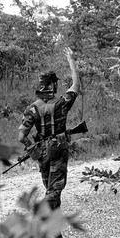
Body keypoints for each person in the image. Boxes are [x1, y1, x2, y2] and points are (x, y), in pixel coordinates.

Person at [18, 47, 79, 222]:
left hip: (41, 152)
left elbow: (21, 136)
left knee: (51, 189)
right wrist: (71, 61)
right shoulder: (61, 103)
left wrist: (33, 150)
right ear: (53, 86)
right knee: (55, 190)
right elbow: (76, 85)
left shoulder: (32, 108)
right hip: (58, 149)